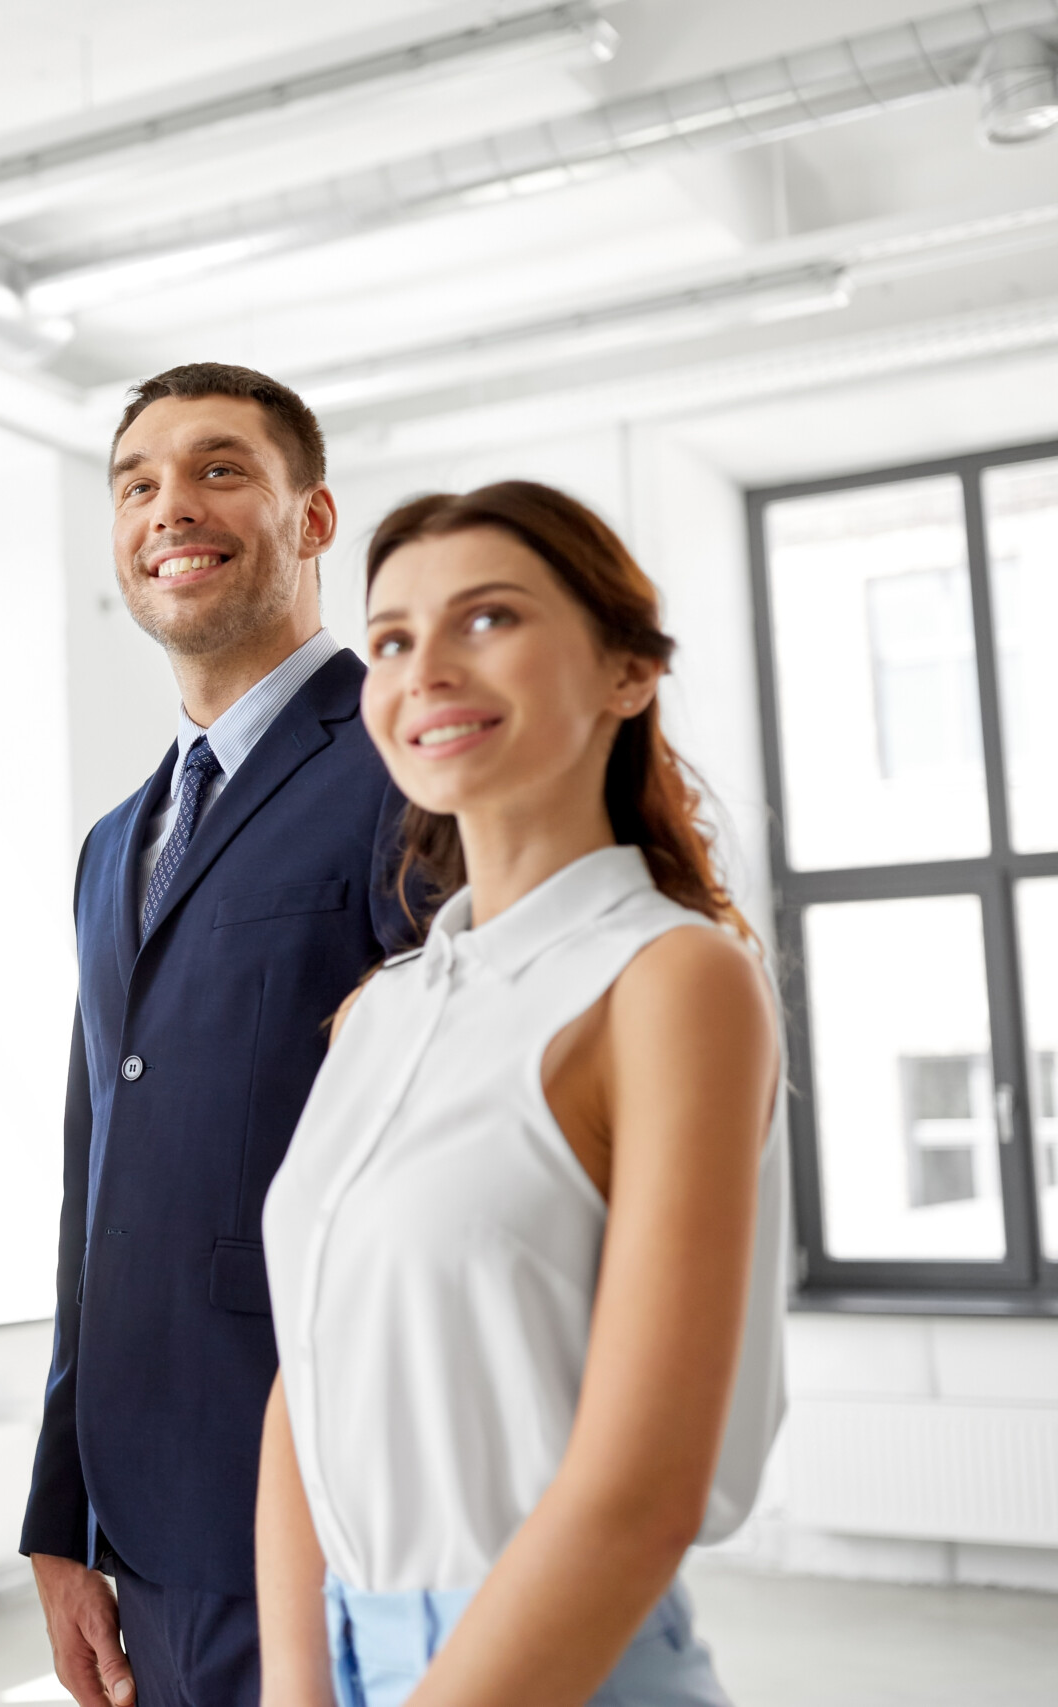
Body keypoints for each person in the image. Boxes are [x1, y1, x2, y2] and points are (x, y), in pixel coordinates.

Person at [255, 483, 786, 1707]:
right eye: (388, 639)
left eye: (486, 619)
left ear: (625, 675)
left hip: (561, 1662)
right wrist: (293, 1686)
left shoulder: (671, 981)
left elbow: (639, 1493)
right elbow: (309, 1368)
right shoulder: (374, 1013)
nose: (424, 666)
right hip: (346, 1652)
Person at [22, 364, 412, 1707]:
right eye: (137, 481)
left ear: (314, 520)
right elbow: (99, 1195)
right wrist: (62, 1518)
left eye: (220, 468)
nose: (168, 505)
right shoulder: (110, 845)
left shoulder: (409, 765)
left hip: (343, 1509)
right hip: (147, 1535)